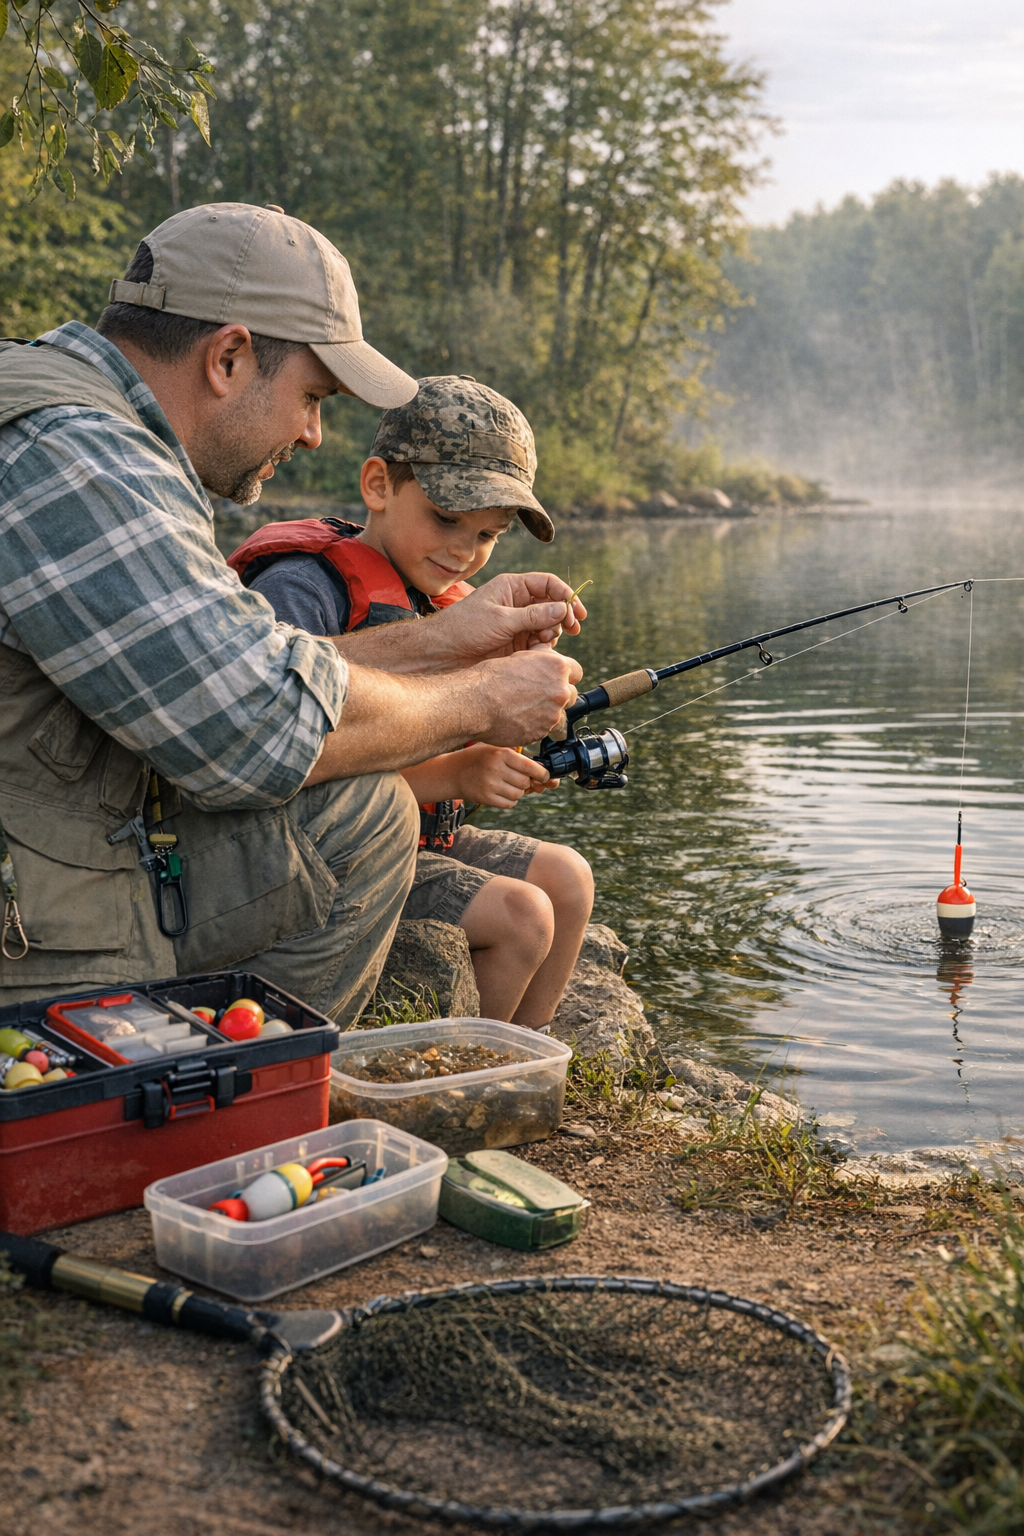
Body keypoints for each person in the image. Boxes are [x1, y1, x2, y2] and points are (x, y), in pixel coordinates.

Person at [0, 202, 585, 1023]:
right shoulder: (74, 458)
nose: (314, 434)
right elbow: (255, 728)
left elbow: (242, 657)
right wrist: (482, 699)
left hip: (53, 841)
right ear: (229, 357)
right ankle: (227, 1120)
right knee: (362, 812)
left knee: (353, 812)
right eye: (312, 396)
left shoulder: (72, 412)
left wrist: (450, 637)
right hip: (27, 915)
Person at [229, 377, 595, 1029]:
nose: (463, 551)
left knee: (568, 878)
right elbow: (279, 759)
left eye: (488, 535)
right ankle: (469, 1068)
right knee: (524, 915)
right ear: (378, 486)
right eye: (447, 519)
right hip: (325, 858)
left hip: (430, 839)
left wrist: (501, 747)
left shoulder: (450, 599)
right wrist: (455, 774)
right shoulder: (302, 590)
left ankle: (528, 1059)